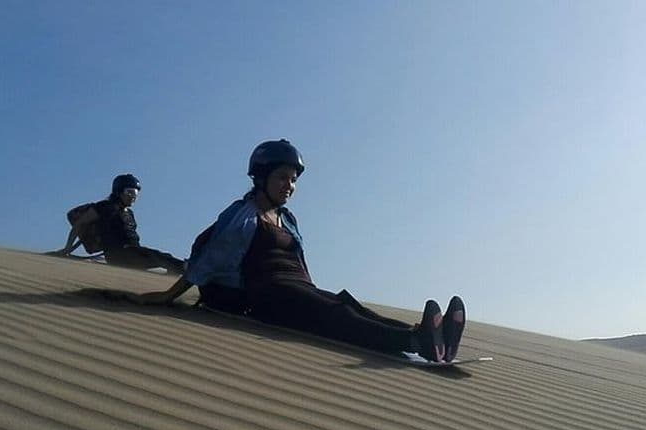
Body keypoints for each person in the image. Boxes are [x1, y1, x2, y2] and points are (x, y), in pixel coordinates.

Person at [130, 140, 466, 361]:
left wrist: (313, 289)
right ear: (261, 177)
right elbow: (209, 259)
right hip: (264, 295)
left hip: (295, 289)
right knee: (337, 314)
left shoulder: (287, 219)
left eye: (293, 180)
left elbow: (300, 264)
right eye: (282, 178)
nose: (289, 185)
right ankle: (415, 343)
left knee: (345, 303)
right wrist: (168, 296)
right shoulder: (242, 216)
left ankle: (427, 336)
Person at [54, 174, 186, 275]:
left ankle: (179, 272)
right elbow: (80, 224)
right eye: (129, 192)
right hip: (118, 255)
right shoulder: (104, 207)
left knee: (164, 258)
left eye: (136, 193)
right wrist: (67, 248)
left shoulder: (129, 213)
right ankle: (186, 267)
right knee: (159, 257)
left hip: (134, 252)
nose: (133, 197)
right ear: (119, 191)